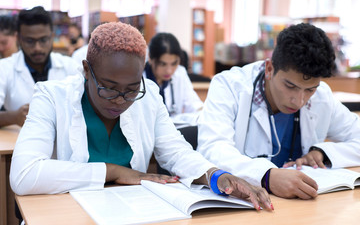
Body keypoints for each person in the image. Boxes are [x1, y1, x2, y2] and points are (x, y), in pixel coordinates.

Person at [9, 22, 273, 211]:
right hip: (67, 215)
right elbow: (24, 175)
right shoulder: (51, 97)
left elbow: (177, 152)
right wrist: (114, 172)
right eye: (109, 88)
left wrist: (215, 175)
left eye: (132, 89)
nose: (122, 100)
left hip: (134, 212)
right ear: (86, 71)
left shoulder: (149, 96)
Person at [197, 23, 360, 200]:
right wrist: (267, 176)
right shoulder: (229, 86)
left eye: (309, 90)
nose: (299, 101)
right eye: (290, 86)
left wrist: (322, 152)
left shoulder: (322, 96)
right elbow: (212, 148)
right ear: (269, 69)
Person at [0, 6, 80, 127]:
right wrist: (13, 117)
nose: (37, 47)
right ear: (19, 39)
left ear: (52, 36)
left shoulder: (70, 67)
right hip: (18, 142)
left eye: (43, 40)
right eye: (30, 41)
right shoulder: (4, 68)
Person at [144, 33, 203, 126]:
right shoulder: (139, 78)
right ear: (150, 58)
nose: (169, 70)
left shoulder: (180, 73)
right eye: (163, 64)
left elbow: (195, 105)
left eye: (174, 63)